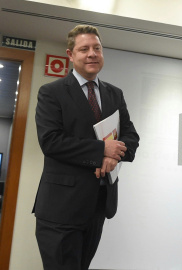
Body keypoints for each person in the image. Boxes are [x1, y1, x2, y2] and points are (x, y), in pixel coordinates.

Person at [33, 25, 140, 270]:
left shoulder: (114, 93)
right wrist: (102, 150)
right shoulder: (52, 92)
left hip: (98, 205)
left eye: (97, 48)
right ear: (71, 55)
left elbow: (130, 135)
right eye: (84, 49)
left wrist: (114, 155)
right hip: (61, 208)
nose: (92, 54)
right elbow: (51, 141)